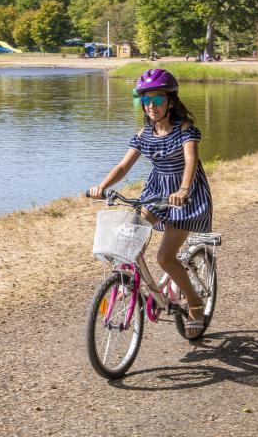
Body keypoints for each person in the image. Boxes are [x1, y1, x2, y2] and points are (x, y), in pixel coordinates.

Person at [88, 68, 213, 339]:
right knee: (130, 237)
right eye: (146, 100)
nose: (151, 106)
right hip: (156, 191)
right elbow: (123, 166)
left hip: (185, 197)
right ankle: (133, 283)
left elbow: (190, 160)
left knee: (164, 257)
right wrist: (102, 186)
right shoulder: (144, 133)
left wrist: (183, 189)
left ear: (170, 101)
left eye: (158, 100)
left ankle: (194, 304)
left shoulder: (185, 130)